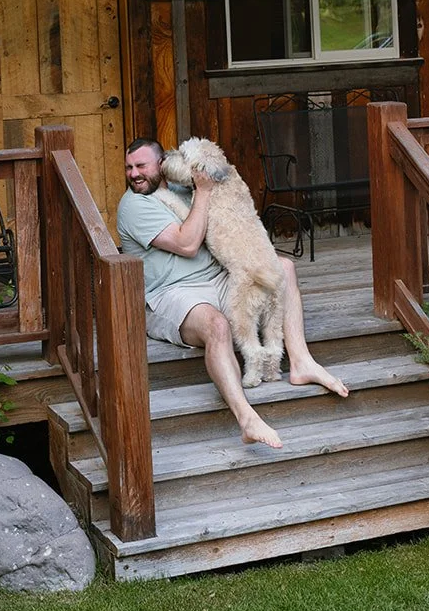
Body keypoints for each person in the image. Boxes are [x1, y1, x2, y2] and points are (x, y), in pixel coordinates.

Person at [117, 137, 349, 451]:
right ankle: (246, 418)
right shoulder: (134, 204)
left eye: (141, 166)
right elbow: (186, 245)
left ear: (162, 164)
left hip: (218, 280)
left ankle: (301, 362)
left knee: (283, 269)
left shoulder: (185, 189)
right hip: (171, 296)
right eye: (129, 167)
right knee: (217, 326)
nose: (133, 174)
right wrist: (204, 191)